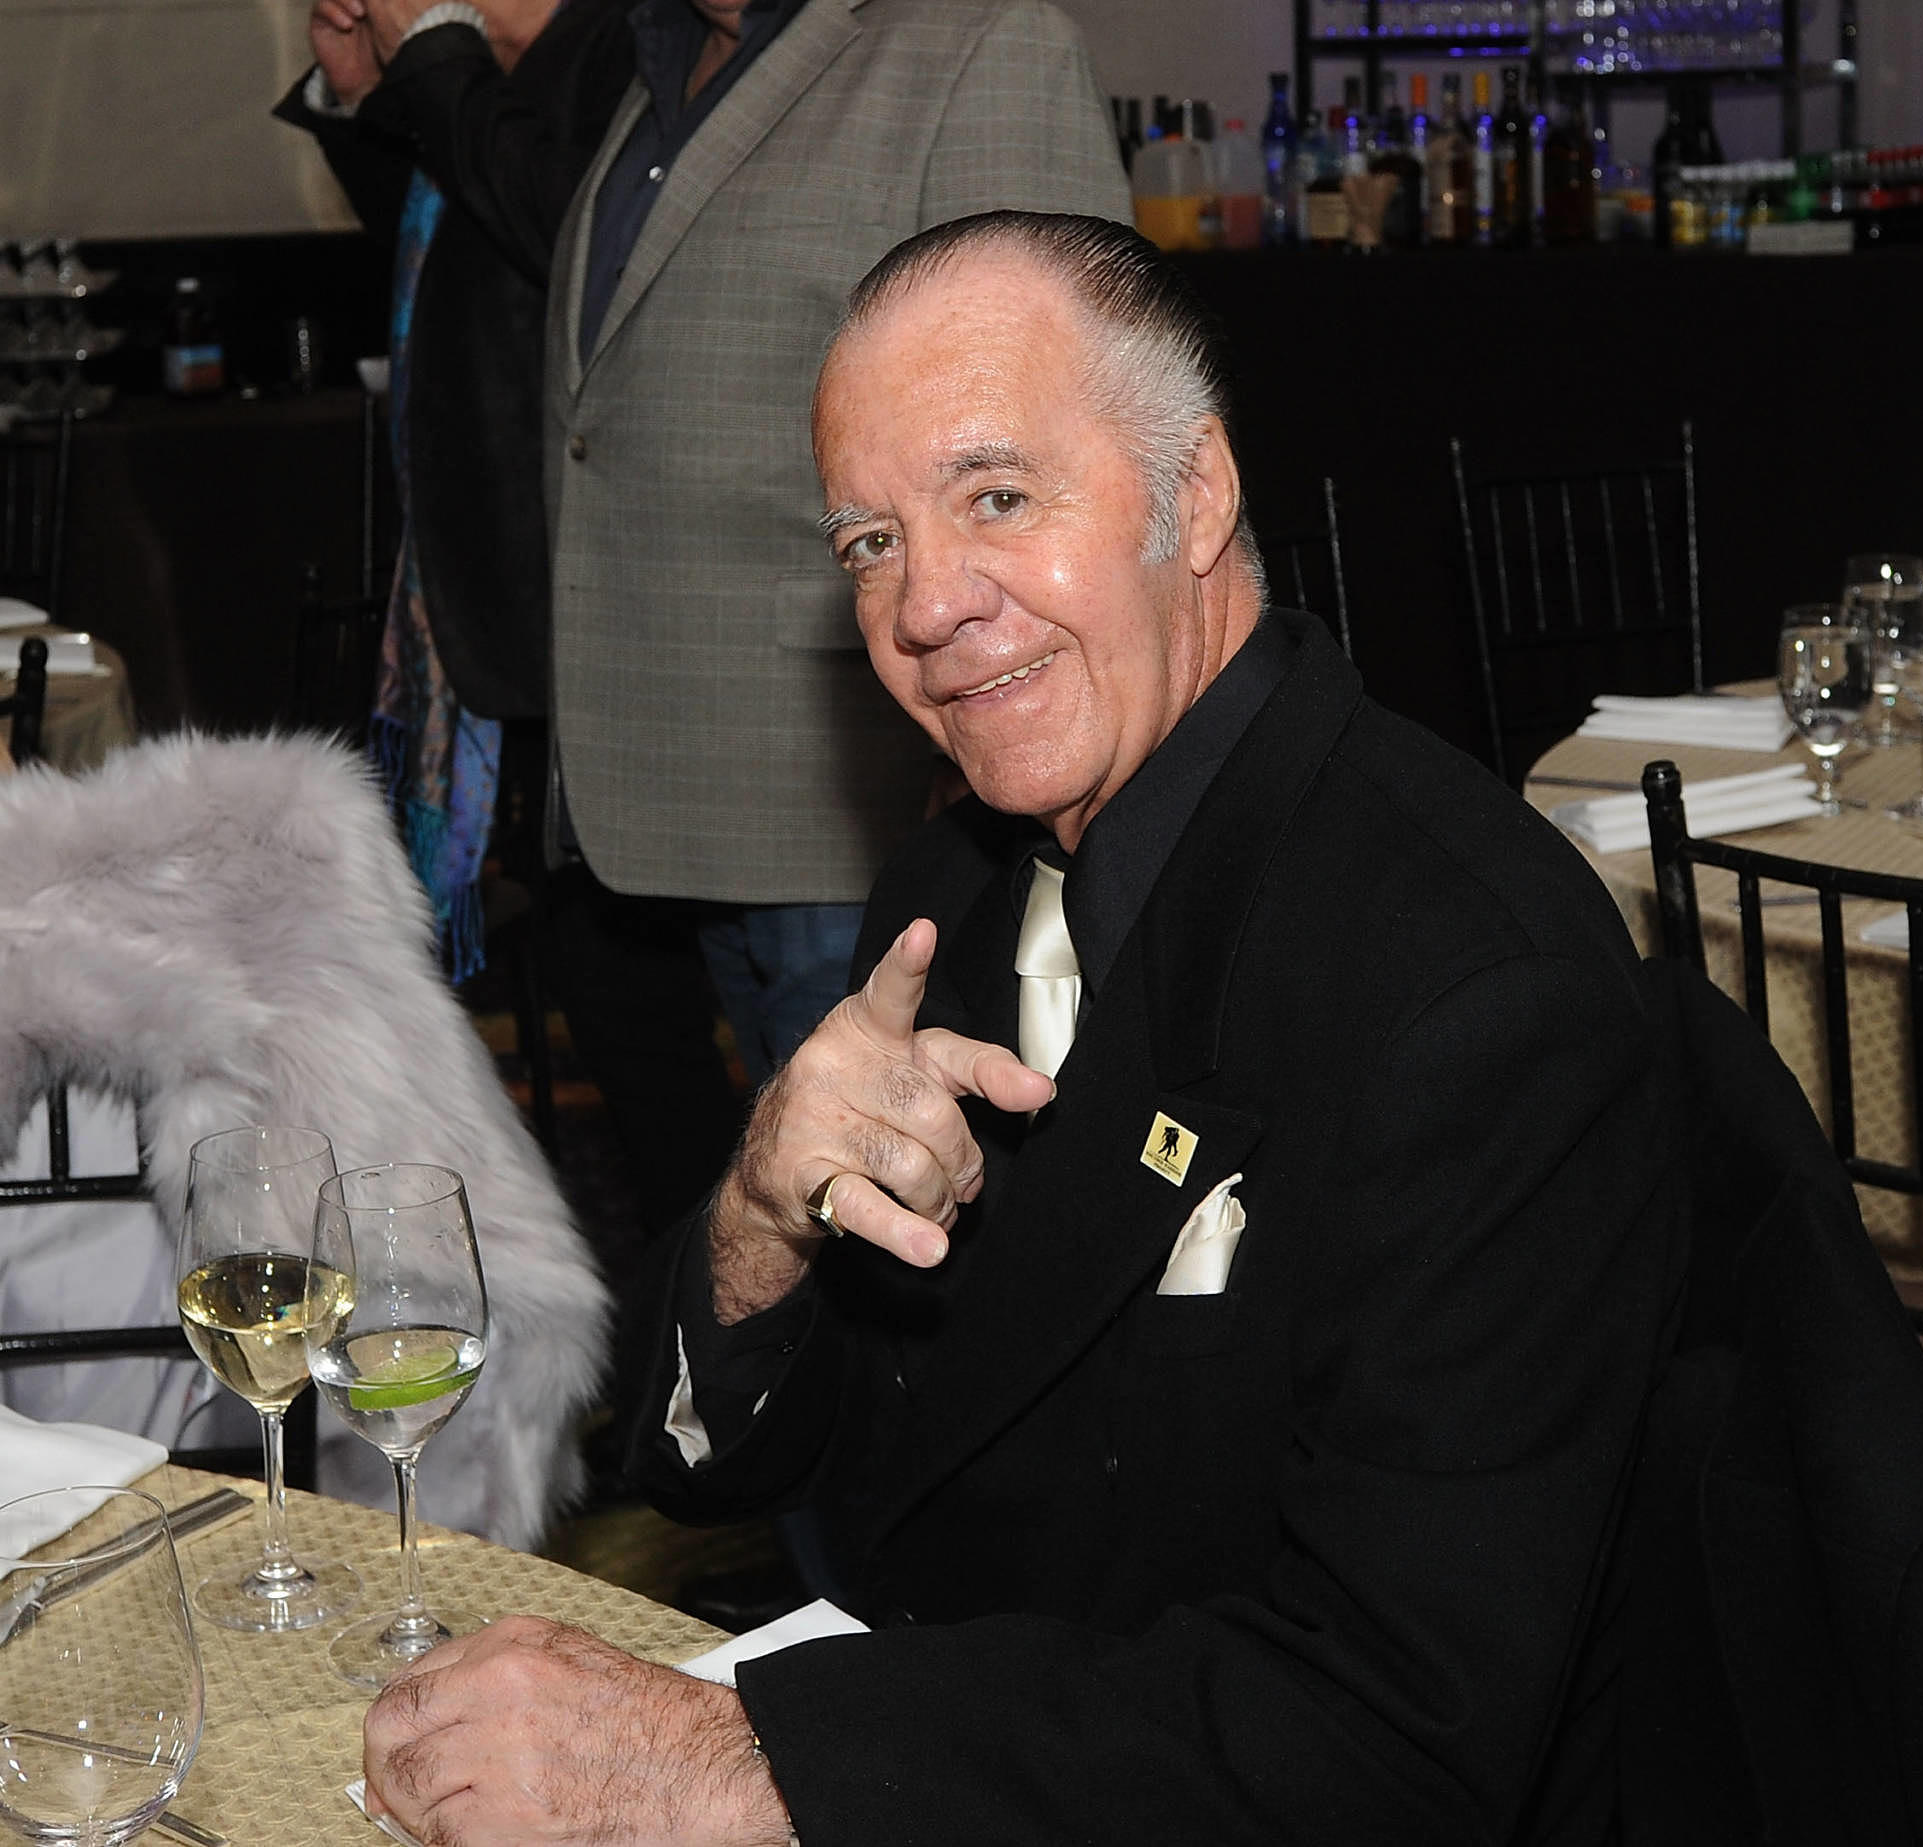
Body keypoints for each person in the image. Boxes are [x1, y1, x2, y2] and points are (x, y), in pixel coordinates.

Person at [357, 211, 1688, 1845]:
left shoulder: (1470, 984)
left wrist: (740, 1764)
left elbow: (1391, 1735)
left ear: (1198, 492)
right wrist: (763, 1217)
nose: (924, 605)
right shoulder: (957, 885)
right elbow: (736, 1462)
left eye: (996, 497)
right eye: (871, 542)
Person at [541, 0, 1132, 1090]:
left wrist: (981, 741)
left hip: (871, 779)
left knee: (895, 1167)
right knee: (771, 1167)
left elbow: (1061, 433)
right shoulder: (660, 60)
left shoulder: (983, 42)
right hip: (675, 757)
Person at [278, 0, 748, 1242]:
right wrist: (364, 92)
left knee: (680, 998)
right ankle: (700, 1276)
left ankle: (736, 1283)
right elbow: (438, 240)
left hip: (618, 608)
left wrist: (436, 57)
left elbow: (567, 234)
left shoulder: (630, 47)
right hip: (515, 604)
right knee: (614, 990)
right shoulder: (506, 69)